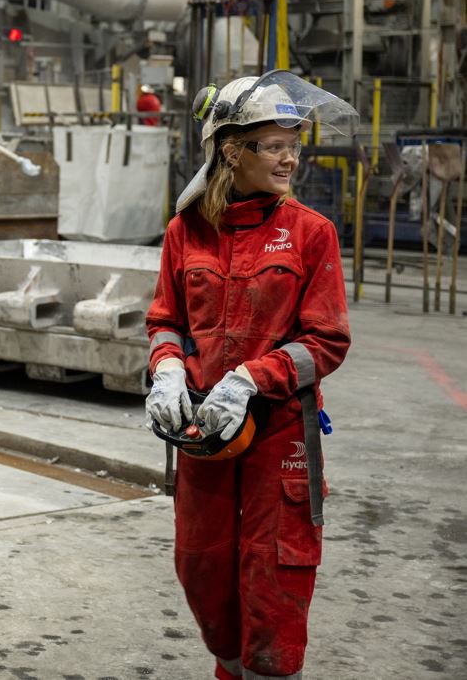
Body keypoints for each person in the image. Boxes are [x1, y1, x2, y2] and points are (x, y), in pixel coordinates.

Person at [145, 71, 355, 680]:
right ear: (231, 151)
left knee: (273, 569)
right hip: (204, 429)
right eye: (274, 144)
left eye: (295, 142)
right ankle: (231, 668)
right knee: (200, 563)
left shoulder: (312, 234)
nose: (290, 156)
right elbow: (166, 321)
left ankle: (263, 672)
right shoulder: (186, 231)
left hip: (279, 432)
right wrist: (166, 373)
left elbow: (327, 341)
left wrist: (249, 380)